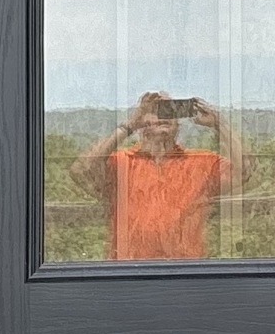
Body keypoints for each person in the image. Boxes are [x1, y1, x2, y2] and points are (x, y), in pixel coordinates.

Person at [73, 91, 245, 260]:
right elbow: (81, 170)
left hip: (185, 272)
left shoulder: (201, 162)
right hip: (128, 273)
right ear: (142, 123)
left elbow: (243, 172)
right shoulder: (122, 163)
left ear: (178, 123)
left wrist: (220, 125)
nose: (164, 115)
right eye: (155, 110)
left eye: (170, 110)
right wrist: (129, 126)